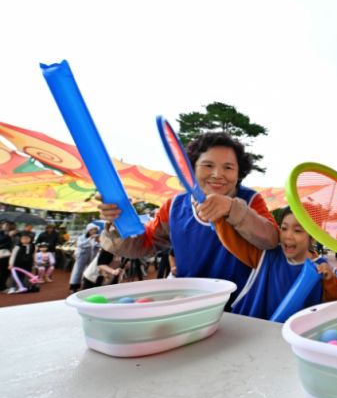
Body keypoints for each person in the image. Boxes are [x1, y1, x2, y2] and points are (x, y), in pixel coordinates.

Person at [97, 132, 279, 308]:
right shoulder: (174, 206)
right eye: (208, 165)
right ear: (191, 168)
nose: (217, 174)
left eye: (228, 167)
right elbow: (144, 245)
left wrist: (233, 209)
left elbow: (271, 239)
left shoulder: (251, 199)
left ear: (239, 172)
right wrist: (118, 223)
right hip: (189, 303)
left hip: (243, 303)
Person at [227, 207, 337, 320]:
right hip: (258, 329)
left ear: (313, 237)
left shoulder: (322, 269)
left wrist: (330, 282)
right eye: (284, 228)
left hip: (296, 335)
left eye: (297, 230)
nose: (288, 235)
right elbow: (233, 241)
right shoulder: (267, 254)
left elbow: (332, 308)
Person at [69, 223, 101, 293]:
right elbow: (80, 245)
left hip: (92, 256)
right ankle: (74, 286)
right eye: (92, 230)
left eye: (95, 229)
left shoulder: (97, 237)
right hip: (82, 255)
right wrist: (90, 239)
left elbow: (100, 245)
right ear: (88, 230)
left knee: (89, 271)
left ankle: (86, 286)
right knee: (78, 271)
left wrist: (98, 241)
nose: (93, 231)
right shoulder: (82, 237)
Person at [0, 221, 15, 291]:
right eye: (5, 225)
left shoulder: (14, 233)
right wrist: (8, 236)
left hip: (10, 254)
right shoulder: (2, 233)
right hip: (2, 254)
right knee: (1, 270)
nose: (6, 226)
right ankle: (2, 286)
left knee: (7, 271)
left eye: (8, 225)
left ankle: (4, 284)